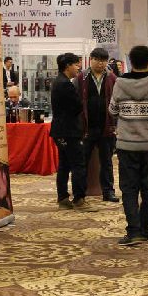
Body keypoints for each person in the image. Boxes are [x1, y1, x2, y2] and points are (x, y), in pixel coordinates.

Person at [109, 45, 148, 246]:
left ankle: (133, 231)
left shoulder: (119, 84)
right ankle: (146, 229)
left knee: (129, 189)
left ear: (131, 62)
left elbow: (112, 111)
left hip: (126, 145)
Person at [51, 52, 95, 212]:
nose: (78, 68)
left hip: (61, 130)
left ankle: (63, 198)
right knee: (78, 165)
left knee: (64, 165)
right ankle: (79, 199)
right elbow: (77, 107)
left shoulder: (59, 81)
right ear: (67, 66)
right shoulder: (65, 84)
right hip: (69, 131)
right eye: (76, 65)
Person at [76, 47, 120, 203]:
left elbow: (117, 100)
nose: (100, 64)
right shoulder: (81, 77)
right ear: (91, 60)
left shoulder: (112, 78)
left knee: (107, 162)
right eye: (97, 60)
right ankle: (79, 193)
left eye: (103, 61)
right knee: (82, 162)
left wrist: (115, 123)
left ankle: (108, 192)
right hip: (87, 127)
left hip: (106, 126)